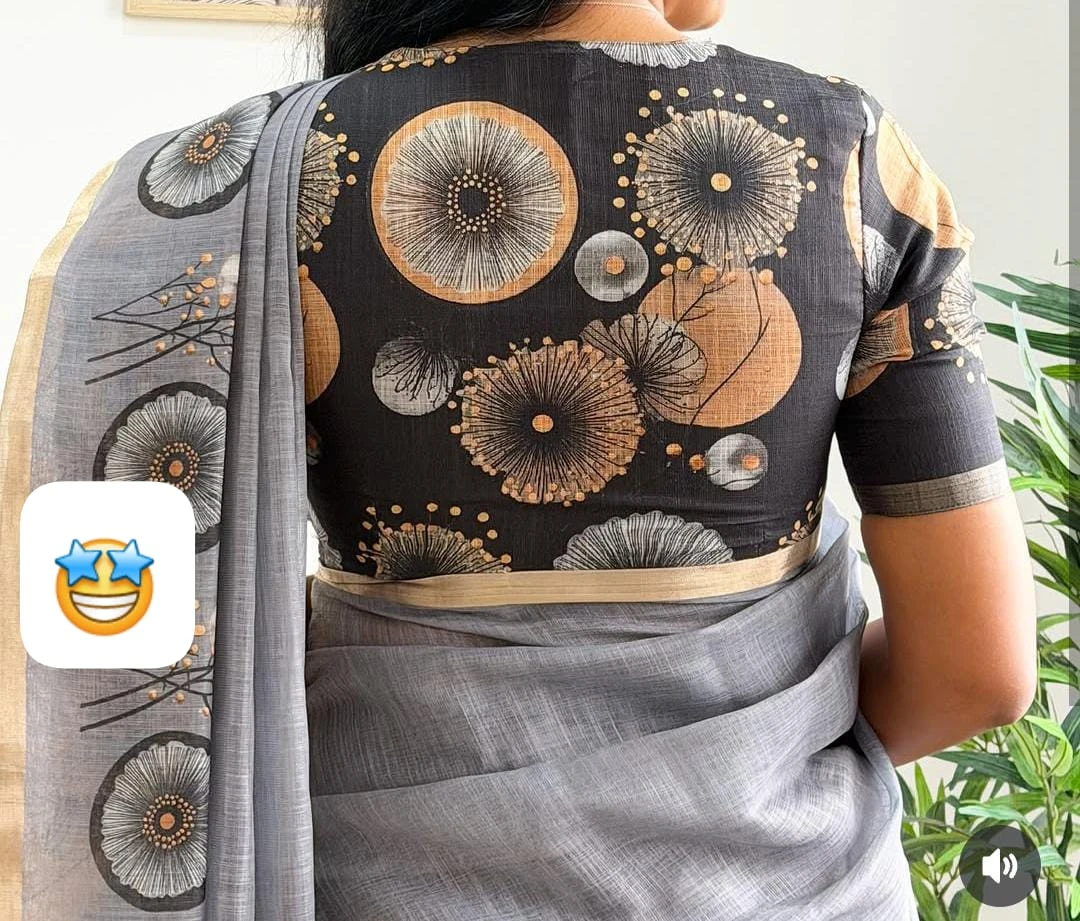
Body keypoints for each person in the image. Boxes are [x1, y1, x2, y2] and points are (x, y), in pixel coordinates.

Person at [1, 1, 1036, 919]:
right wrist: (745, 756)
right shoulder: (849, 158)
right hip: (789, 883)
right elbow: (976, 673)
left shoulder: (250, 177)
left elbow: (105, 630)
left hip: (380, 884)